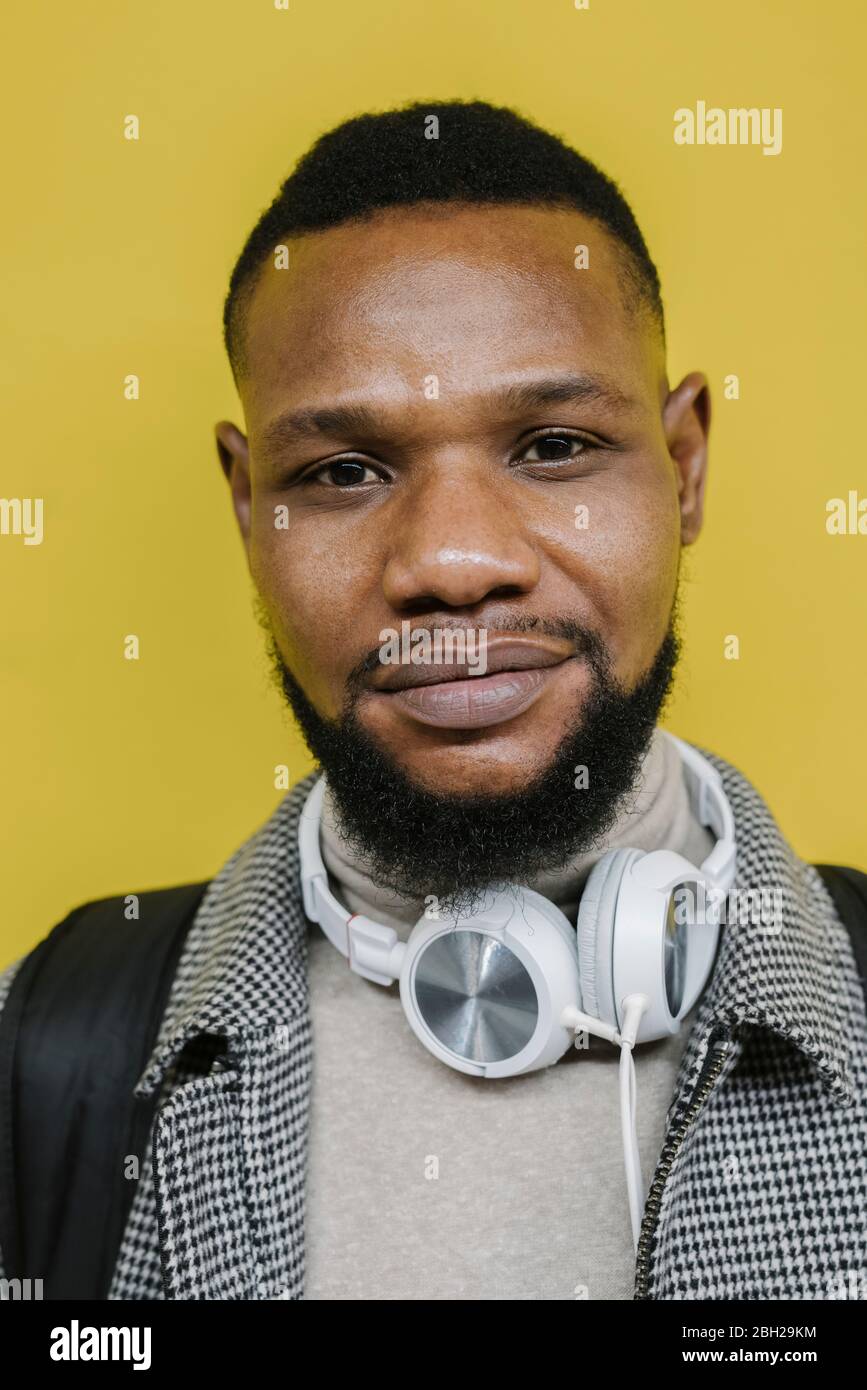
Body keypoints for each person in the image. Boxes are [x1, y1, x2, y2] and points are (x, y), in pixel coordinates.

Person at [1, 100, 865, 1303]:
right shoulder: (52, 1052)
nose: (453, 561)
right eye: (343, 472)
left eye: (555, 444)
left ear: (685, 467)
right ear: (252, 512)